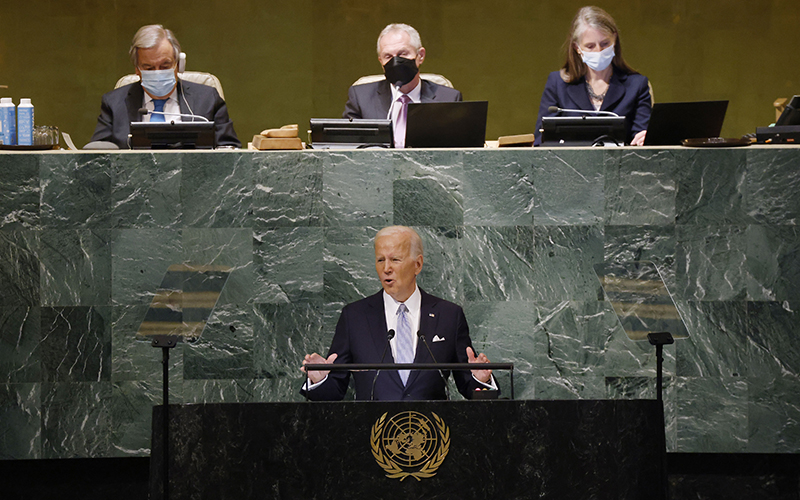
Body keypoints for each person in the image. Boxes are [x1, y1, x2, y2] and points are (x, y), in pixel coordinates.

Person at [301, 226, 496, 401]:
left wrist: (481, 379)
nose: (386, 268)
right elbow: (334, 391)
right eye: (380, 260)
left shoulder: (449, 315)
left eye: (395, 259)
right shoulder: (355, 317)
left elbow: (469, 386)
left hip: (432, 434)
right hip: (372, 433)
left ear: (417, 265)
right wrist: (320, 379)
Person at [89, 24, 240, 149]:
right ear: (137, 70)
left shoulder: (207, 99)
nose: (158, 73)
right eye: (148, 68)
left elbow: (229, 149)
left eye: (165, 65)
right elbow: (98, 153)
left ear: (179, 65)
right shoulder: (114, 104)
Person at [533, 6, 651, 146]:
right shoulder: (557, 83)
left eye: (604, 43)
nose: (598, 51)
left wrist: (646, 138)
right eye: (590, 46)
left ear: (615, 39)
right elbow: (541, 140)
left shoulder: (637, 85)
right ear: (577, 48)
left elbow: (642, 139)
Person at [342, 23, 463, 148]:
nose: (395, 62)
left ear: (420, 55)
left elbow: (458, 151)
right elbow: (348, 148)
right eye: (388, 56)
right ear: (381, 61)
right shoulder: (361, 97)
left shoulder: (448, 99)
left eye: (402, 54)